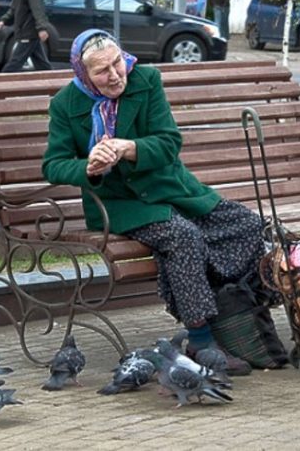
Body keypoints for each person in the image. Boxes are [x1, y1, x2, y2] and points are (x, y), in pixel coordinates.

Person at [42, 29, 266, 376]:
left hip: (171, 188)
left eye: (117, 63)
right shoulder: (65, 104)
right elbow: (53, 165)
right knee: (183, 237)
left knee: (248, 225)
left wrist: (129, 148)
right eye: (102, 71)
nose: (115, 74)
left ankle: (225, 310)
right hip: (121, 205)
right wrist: (89, 166)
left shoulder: (146, 80)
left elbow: (168, 142)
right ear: (83, 74)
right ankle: (201, 338)